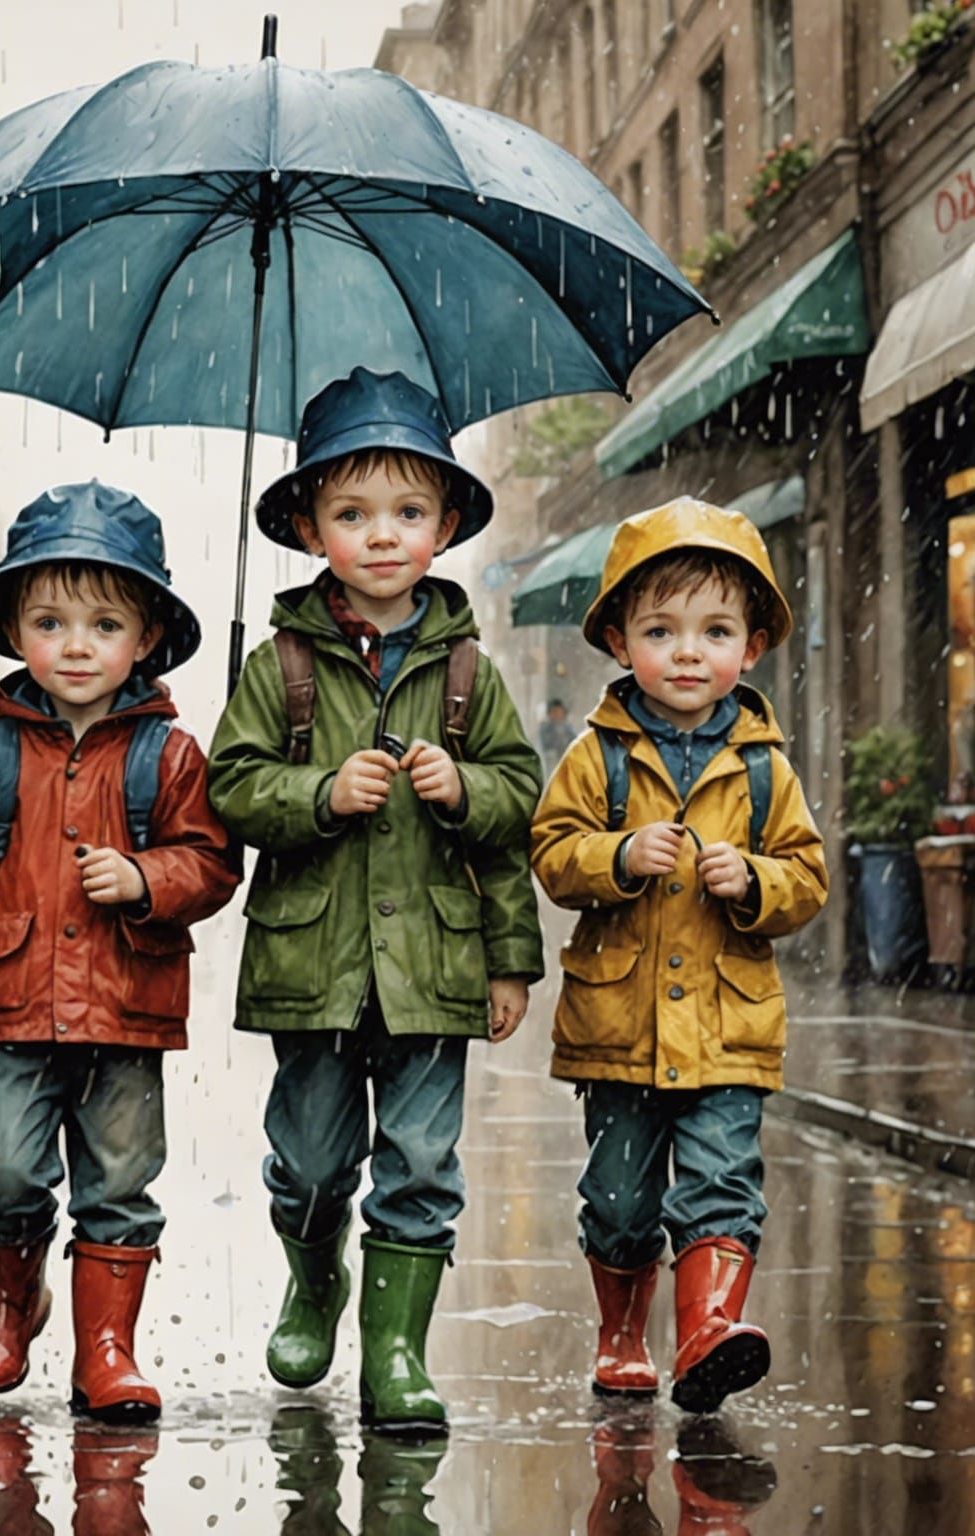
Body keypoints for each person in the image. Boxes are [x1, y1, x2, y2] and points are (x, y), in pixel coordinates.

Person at [208, 368, 545, 1436]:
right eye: (352, 514)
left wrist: (469, 799)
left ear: (444, 526)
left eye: (407, 512)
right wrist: (319, 791)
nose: (383, 535)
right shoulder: (282, 663)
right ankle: (316, 1278)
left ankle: (396, 1353)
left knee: (420, 1163)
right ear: (311, 526)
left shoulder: (469, 674)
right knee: (311, 1160)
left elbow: (518, 806)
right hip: (314, 963)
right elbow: (232, 787)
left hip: (433, 970)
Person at [0, 481, 239, 1425]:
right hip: (13, 1006)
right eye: (50, 621)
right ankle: (14, 1298)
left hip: (126, 1007)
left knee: (120, 1181)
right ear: (15, 632)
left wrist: (147, 880)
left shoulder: (169, 756)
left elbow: (213, 863)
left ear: (147, 639)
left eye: (103, 623)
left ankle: (107, 1347)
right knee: (4, 1168)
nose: (77, 644)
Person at [530, 498, 828, 1414]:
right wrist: (615, 857)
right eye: (662, 630)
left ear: (753, 646)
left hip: (729, 1027)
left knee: (721, 1181)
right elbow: (552, 851)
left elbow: (807, 876)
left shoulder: (767, 766)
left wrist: (757, 881)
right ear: (621, 643)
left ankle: (706, 1332)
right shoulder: (598, 756)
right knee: (619, 1198)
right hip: (619, 1023)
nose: (689, 652)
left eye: (715, 631)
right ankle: (623, 1334)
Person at [539, 697, 576, 772]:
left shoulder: (567, 728)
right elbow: (545, 745)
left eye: (559, 712)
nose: (557, 715)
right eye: (554, 712)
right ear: (549, 714)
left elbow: (574, 741)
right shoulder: (545, 728)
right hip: (552, 762)